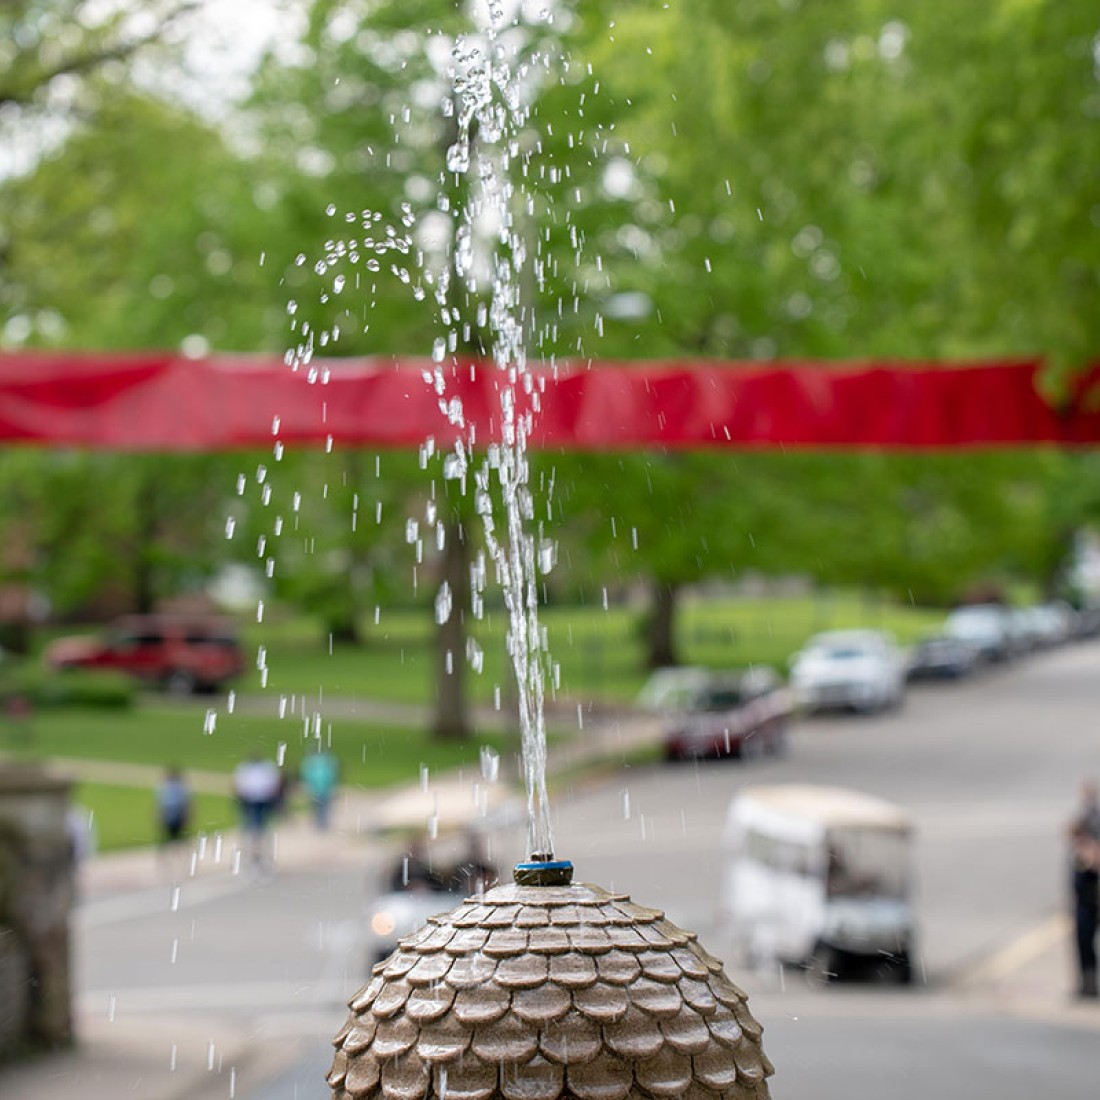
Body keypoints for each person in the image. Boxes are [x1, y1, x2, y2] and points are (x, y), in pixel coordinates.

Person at [1069, 781, 1100, 997]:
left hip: (1094, 897)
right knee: (1083, 941)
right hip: (1085, 900)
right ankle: (1087, 984)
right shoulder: (1080, 856)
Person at [233, 754, 283, 872]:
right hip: (250, 801)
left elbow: (274, 785)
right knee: (252, 826)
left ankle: (259, 850)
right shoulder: (246, 768)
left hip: (262, 801)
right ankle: (252, 850)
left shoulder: (265, 768)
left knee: (260, 827)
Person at [300, 748, 340, 830]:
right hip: (321, 787)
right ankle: (321, 823)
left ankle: (321, 823)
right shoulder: (326, 761)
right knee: (322, 806)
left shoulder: (312, 761)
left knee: (320, 806)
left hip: (320, 788)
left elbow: (306, 774)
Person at [156, 765, 192, 848]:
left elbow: (185, 803)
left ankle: (176, 849)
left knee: (177, 834)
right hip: (169, 814)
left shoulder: (179, 787)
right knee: (170, 835)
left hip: (176, 813)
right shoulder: (165, 787)